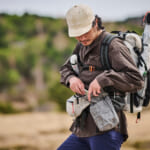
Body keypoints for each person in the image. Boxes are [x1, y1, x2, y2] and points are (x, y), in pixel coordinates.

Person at [57, 4, 144, 150]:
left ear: (95, 23)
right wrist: (71, 78)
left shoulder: (113, 46)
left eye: (85, 32)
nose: (82, 37)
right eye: (77, 34)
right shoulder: (81, 46)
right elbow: (65, 69)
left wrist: (103, 79)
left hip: (107, 129)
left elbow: (135, 79)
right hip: (82, 129)